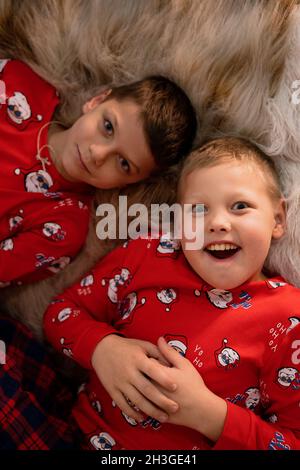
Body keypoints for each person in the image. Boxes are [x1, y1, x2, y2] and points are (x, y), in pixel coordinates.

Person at [44, 136, 300, 450]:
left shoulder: (288, 317)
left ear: (277, 218)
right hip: (75, 435)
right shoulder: (149, 253)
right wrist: (103, 349)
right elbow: (61, 311)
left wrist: (210, 415)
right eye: (198, 210)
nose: (218, 223)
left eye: (240, 207)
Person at [0, 58, 197, 287]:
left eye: (123, 163)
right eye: (108, 127)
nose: (98, 154)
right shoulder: (18, 86)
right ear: (97, 101)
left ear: (132, 182)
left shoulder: (62, 229)